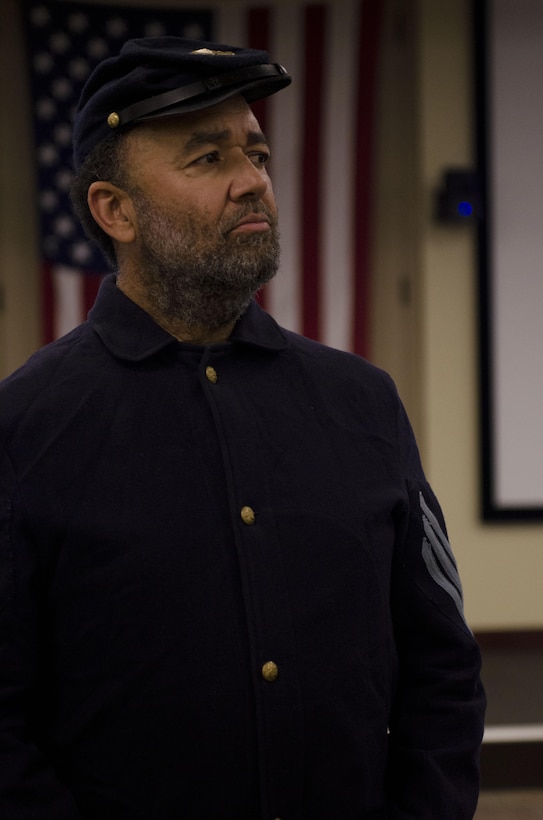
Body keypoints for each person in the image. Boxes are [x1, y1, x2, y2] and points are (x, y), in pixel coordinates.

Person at [0, 36, 485, 820]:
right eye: (207, 159)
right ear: (114, 210)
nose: (252, 182)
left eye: (255, 153)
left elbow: (441, 670)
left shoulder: (361, 403)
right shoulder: (25, 427)